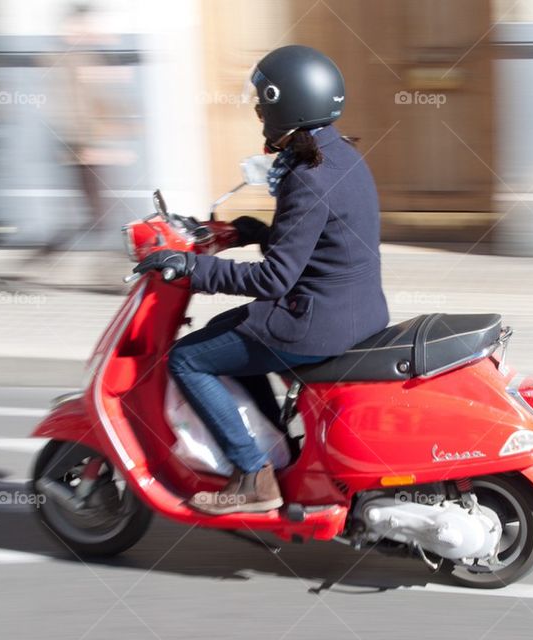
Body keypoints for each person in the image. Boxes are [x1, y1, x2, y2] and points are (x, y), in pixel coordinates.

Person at [133, 45, 389, 514]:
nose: (257, 111)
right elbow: (321, 243)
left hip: (314, 323)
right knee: (221, 342)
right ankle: (274, 454)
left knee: (188, 358)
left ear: (282, 104)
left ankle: (254, 476)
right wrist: (257, 231)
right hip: (355, 310)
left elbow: (274, 280)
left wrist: (192, 268)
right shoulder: (340, 156)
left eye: (261, 102)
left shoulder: (306, 177)